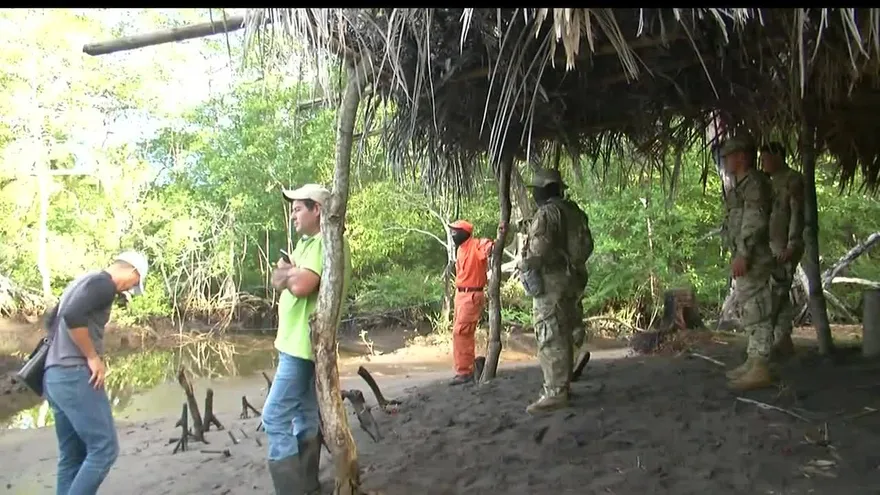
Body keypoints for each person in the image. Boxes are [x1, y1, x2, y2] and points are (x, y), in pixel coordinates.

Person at [264, 183, 352, 495]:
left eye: (298, 208)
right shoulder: (306, 245)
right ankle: (308, 485)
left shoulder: (323, 245)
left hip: (302, 348)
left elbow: (301, 285)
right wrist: (289, 274)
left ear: (317, 209)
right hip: (294, 345)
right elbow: (278, 280)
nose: (293, 215)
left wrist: (290, 274)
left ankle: (292, 490)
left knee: (273, 417)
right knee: (304, 415)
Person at [43, 251, 149, 495]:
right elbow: (73, 316)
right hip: (75, 375)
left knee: (72, 455)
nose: (130, 289)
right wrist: (92, 357)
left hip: (54, 376)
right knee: (104, 449)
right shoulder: (104, 284)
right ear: (132, 271)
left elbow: (53, 322)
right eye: (135, 283)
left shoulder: (80, 282)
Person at [519, 169, 593, 414]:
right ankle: (563, 383)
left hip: (552, 282)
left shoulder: (548, 214)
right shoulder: (573, 211)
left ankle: (555, 392)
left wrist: (525, 264)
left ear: (544, 189)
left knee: (550, 334)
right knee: (567, 328)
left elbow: (539, 250)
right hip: (572, 279)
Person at [719, 135, 777, 390]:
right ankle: (754, 361)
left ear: (741, 156)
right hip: (746, 254)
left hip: (754, 256)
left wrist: (744, 253)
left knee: (758, 309)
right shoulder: (741, 186)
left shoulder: (754, 184)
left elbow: (754, 222)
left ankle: (761, 365)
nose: (726, 162)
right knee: (750, 308)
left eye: (729, 156)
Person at [760, 141, 805, 360]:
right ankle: (783, 339)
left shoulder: (792, 180)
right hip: (769, 246)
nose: (763, 163)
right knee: (779, 294)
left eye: (766, 158)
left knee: (775, 294)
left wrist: (792, 244)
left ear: (778, 156)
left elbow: (797, 215)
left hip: (783, 246)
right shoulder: (767, 182)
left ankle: (770, 342)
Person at [447, 219, 494, 385]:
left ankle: (465, 371)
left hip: (472, 295)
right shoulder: (460, 249)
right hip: (460, 295)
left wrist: (493, 241)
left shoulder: (476, 245)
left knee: (462, 332)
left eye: (455, 231)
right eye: (451, 231)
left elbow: (488, 245)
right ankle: (465, 368)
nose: (453, 235)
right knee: (461, 333)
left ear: (465, 233)